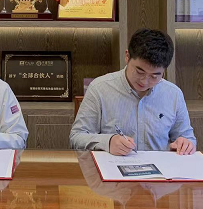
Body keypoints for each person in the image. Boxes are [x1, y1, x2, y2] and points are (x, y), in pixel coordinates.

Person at [70, 28, 196, 156]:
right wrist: (108, 142)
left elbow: (187, 138)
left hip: (161, 168)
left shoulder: (173, 94)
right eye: (139, 72)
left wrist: (185, 144)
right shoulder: (99, 88)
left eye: (154, 76)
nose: (145, 81)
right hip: (113, 166)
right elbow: (77, 137)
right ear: (127, 56)